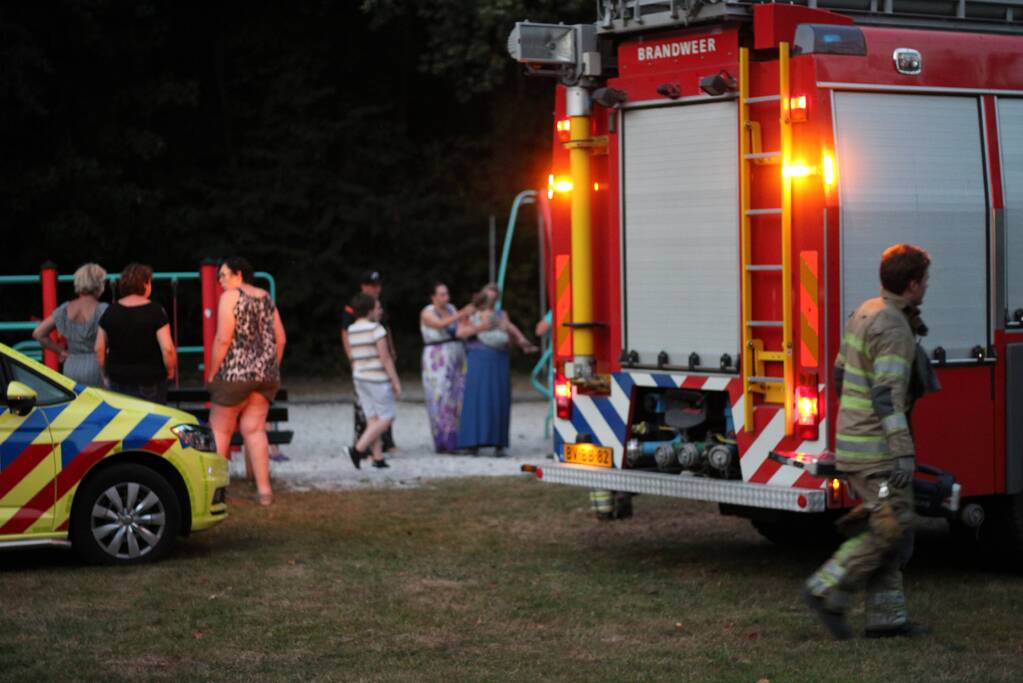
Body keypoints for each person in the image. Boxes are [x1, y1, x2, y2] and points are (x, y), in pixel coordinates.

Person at [803, 244, 940, 640]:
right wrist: (902, 454)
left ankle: (887, 619)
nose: (928, 286)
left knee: (888, 521)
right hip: (877, 457)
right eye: (926, 280)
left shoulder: (864, 312)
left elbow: (841, 374)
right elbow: (887, 396)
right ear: (913, 285)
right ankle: (826, 587)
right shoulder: (894, 328)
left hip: (856, 444)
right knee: (891, 526)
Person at [206, 257, 286, 507]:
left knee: (220, 430)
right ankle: (264, 492)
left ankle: (216, 492)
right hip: (265, 376)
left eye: (223, 275)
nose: (220, 281)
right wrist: (270, 366)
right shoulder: (265, 296)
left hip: (235, 375)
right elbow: (280, 339)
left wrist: (212, 371)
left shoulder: (230, 297)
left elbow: (222, 339)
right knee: (255, 430)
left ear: (239, 274)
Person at [456, 285, 537, 457]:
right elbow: (460, 333)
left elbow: (511, 329)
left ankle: (498, 443)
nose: (491, 302)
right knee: (475, 399)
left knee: (498, 399)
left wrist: (522, 341)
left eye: (494, 298)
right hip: (478, 358)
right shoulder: (470, 312)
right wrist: (480, 327)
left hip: (499, 359)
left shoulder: (502, 315)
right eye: (488, 297)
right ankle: (472, 442)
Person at [95, 263, 176, 404]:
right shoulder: (156, 311)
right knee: (152, 423)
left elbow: (99, 348)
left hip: (118, 379)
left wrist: (105, 375)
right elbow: (167, 349)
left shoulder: (110, 311)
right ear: (145, 284)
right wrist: (170, 371)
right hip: (150, 380)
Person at [343, 293, 402, 469]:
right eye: (378, 308)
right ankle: (358, 449)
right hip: (377, 379)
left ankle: (377, 457)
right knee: (387, 417)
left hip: (360, 378)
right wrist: (395, 380)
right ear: (370, 311)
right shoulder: (376, 329)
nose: (381, 310)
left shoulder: (352, 329)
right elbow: (385, 357)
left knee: (372, 418)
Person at [32, 263, 109, 387]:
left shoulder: (65, 309)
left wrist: (60, 351)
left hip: (71, 364)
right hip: (96, 365)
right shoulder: (103, 309)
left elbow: (38, 333)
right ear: (98, 285)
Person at [420, 282, 471, 453]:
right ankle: (442, 439)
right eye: (441, 295)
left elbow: (458, 328)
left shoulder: (451, 309)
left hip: (455, 355)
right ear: (433, 297)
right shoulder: (427, 312)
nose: (445, 298)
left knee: (456, 397)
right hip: (437, 358)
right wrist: (460, 315)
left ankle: (455, 439)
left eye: (446, 294)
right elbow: (439, 324)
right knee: (439, 396)